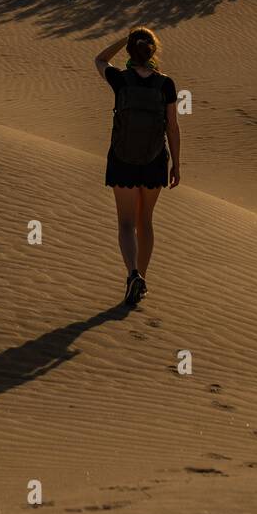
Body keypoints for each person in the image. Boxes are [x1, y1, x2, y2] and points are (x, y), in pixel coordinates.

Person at [94, 27, 180, 305]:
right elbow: (172, 127)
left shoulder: (120, 79)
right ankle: (141, 277)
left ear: (130, 51)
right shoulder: (166, 84)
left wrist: (123, 38)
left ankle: (132, 274)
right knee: (145, 221)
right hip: (155, 161)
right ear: (153, 51)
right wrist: (176, 165)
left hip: (122, 159)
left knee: (126, 223)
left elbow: (100, 59)